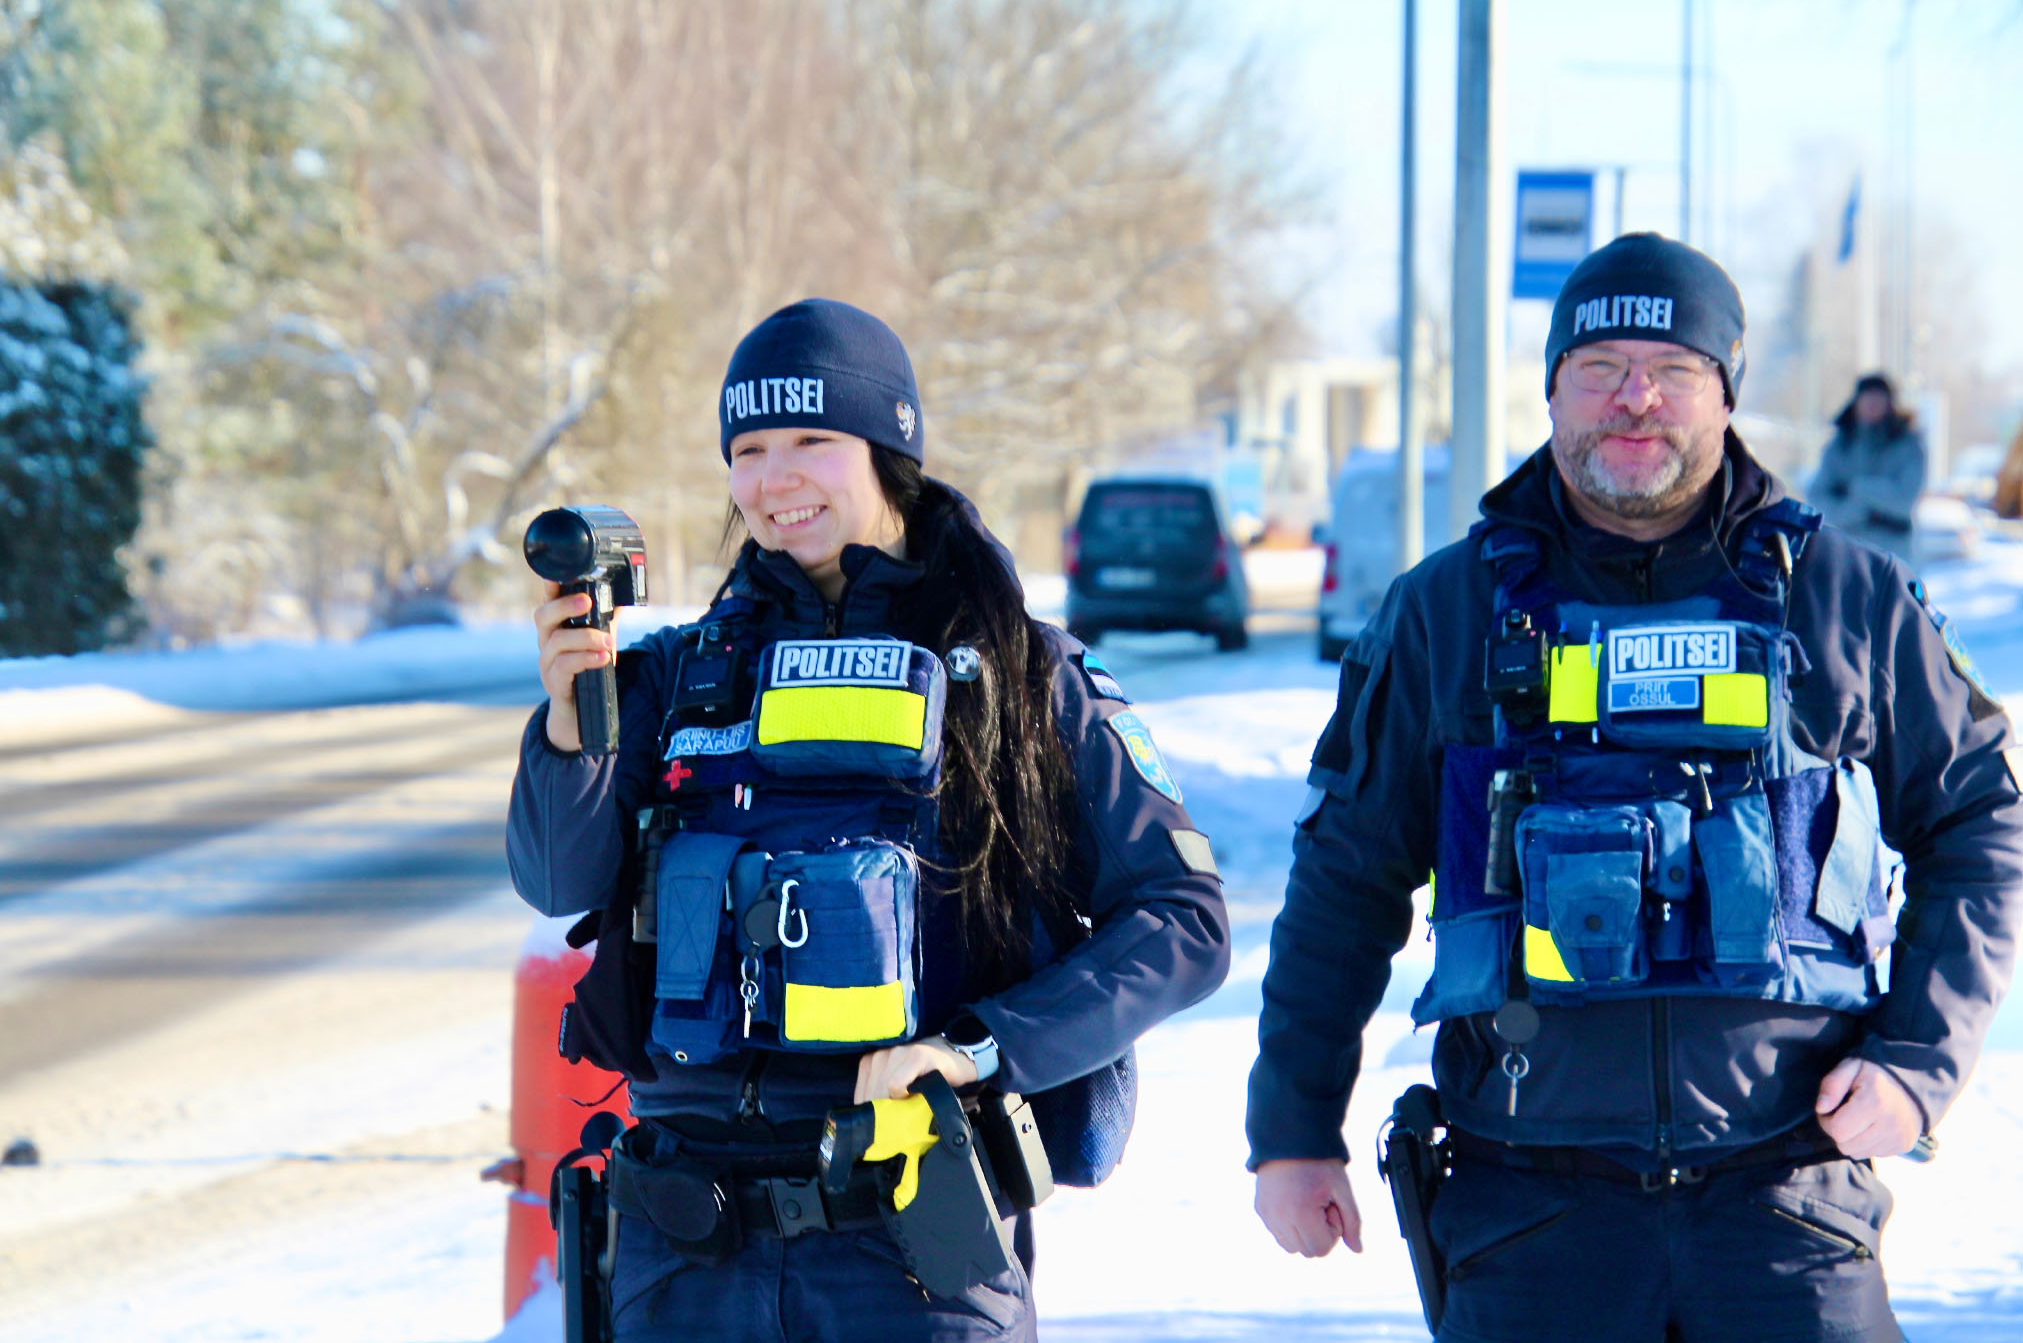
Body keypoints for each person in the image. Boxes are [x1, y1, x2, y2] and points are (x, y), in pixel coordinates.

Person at [1247, 233, 2023, 1343]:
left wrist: (1915, 1058)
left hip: (1787, 1205)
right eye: (1600, 366)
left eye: (1672, 368)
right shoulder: (1446, 611)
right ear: (1554, 386)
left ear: (1726, 391)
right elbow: (1343, 878)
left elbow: (1982, 820)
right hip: (1527, 1215)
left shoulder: (1845, 598)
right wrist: (1294, 1127)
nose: (1635, 399)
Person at [506, 298, 1229, 1342]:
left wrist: (981, 1048)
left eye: (812, 439)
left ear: (891, 452)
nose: (774, 477)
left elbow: (1183, 919)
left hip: (912, 1247)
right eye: (748, 448)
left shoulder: (1023, 676)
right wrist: (572, 724)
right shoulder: (670, 679)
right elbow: (555, 878)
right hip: (683, 1253)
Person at [1809, 372, 1927, 563]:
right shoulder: (1840, 445)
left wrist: (1855, 488)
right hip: (1845, 556)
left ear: (1890, 403)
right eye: (1867, 397)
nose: (1872, 404)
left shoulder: (1908, 445)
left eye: (1878, 397)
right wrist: (1858, 510)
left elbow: (1905, 499)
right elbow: (1819, 498)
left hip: (1894, 557)